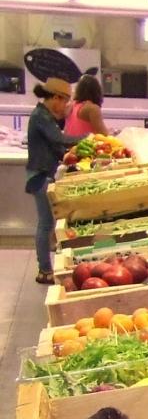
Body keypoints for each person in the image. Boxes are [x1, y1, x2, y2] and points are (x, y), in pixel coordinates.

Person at [26, 77, 81, 284]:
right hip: (39, 176)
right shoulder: (40, 116)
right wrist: (88, 137)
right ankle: (44, 271)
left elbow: (57, 147)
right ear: (56, 98)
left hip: (43, 173)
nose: (65, 106)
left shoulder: (45, 115)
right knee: (45, 224)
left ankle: (46, 268)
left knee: (47, 223)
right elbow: (59, 140)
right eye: (65, 101)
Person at [65, 74, 108, 139]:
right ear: (97, 91)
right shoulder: (92, 109)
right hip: (85, 147)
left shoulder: (70, 106)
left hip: (70, 147)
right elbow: (104, 135)